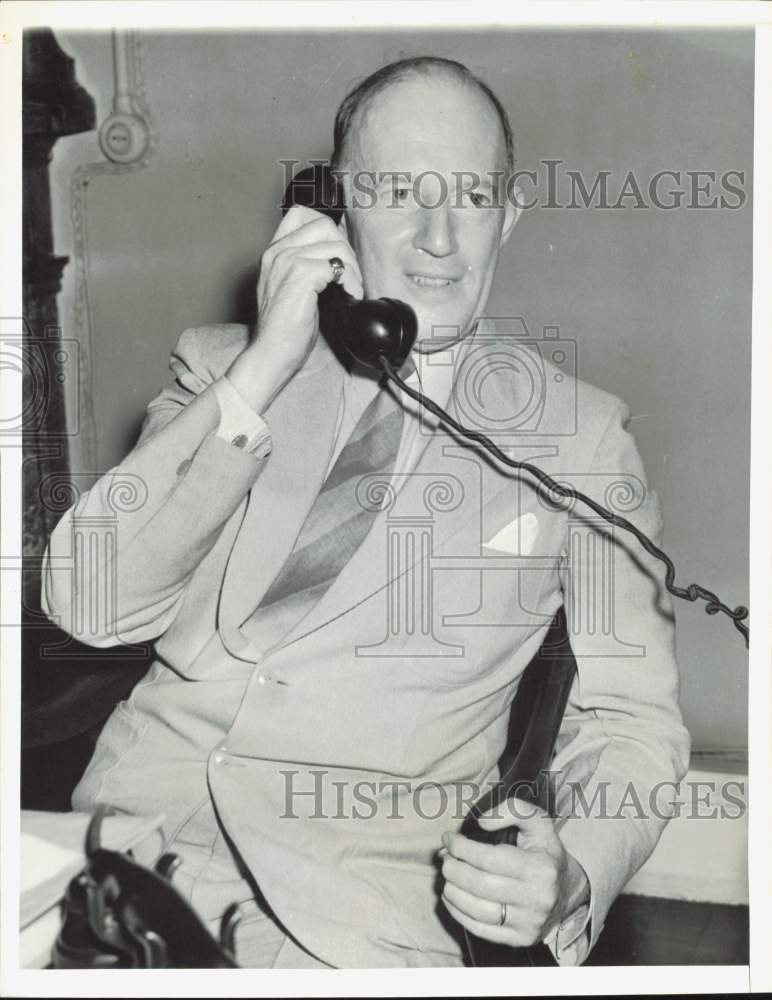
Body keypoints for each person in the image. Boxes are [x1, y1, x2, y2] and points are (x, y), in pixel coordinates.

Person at [41, 56, 690, 968]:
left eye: (468, 196)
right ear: (334, 207)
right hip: (120, 864)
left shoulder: (581, 440)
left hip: (350, 918)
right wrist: (264, 364)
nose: (437, 238)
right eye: (394, 193)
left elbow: (633, 724)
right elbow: (92, 603)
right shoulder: (225, 368)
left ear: (509, 216)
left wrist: (573, 872)